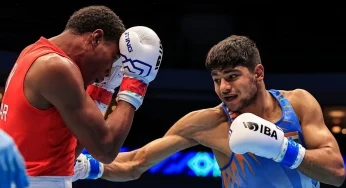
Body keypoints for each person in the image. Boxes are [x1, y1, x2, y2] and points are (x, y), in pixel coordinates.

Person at [73, 35, 345, 187]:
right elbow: (135, 163)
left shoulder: (298, 103)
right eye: (217, 80)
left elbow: (336, 172)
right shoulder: (208, 123)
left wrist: (281, 149)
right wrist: (84, 167)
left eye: (232, 76)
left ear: (258, 73)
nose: (224, 87)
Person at [0, 5, 163, 188]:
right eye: (112, 58)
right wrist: (136, 81)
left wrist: (104, 90)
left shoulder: (32, 52)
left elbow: (73, 147)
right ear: (96, 38)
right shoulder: (56, 68)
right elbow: (106, 150)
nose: (108, 72)